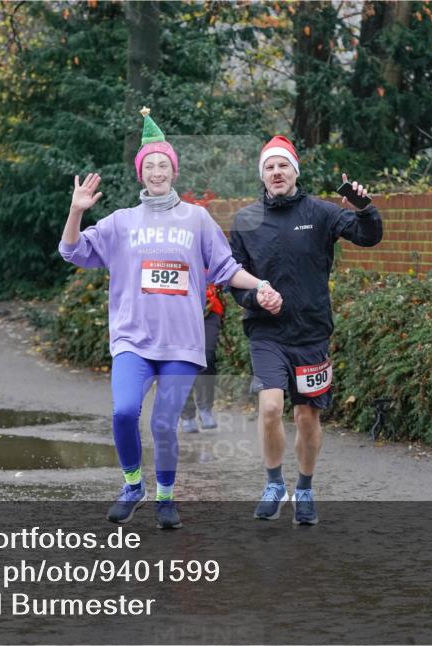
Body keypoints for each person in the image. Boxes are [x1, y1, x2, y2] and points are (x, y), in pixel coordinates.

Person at [59, 109, 281, 529]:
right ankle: (132, 485)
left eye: (164, 165)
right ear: (141, 174)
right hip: (131, 340)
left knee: (163, 423)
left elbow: (225, 268)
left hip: (181, 343)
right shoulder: (121, 223)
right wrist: (76, 212)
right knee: (124, 412)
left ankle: (165, 497)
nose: (157, 172)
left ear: (174, 171)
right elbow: (71, 251)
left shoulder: (196, 219)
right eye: (150, 166)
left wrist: (259, 284)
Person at [229, 135, 382, 525]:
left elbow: (369, 236)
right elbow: (232, 280)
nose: (276, 172)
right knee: (270, 407)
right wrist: (255, 299)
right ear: (261, 175)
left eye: (283, 166)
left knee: (307, 418)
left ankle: (306, 489)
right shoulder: (246, 221)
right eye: (269, 167)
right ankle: (273, 483)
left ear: (295, 171)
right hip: (267, 334)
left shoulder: (322, 212)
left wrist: (365, 208)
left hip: (312, 334)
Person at [179, 281, 224, 433]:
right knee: (182, 360)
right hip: (176, 309)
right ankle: (187, 414)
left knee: (208, 356)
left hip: (209, 308)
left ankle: (206, 408)